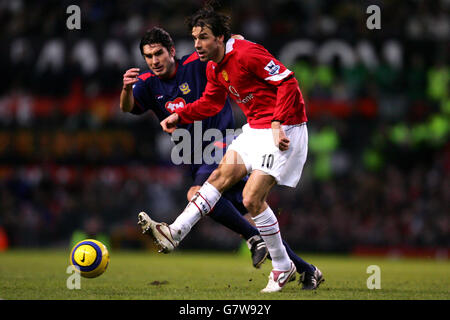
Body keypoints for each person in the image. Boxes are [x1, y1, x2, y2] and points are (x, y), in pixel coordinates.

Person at [121, 27, 321, 290]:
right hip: (191, 150)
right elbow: (129, 108)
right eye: (148, 56)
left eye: (159, 53)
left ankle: (248, 239)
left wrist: (235, 40)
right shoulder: (147, 82)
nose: (154, 60)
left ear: (171, 51)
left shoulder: (196, 62)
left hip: (221, 139)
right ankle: (305, 269)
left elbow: (222, 48)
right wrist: (126, 89)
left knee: (198, 194)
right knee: (250, 210)